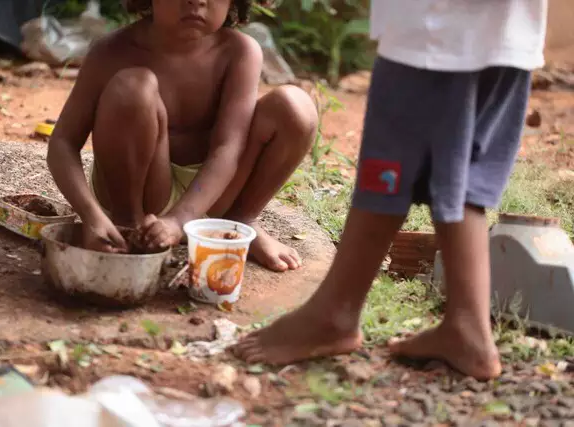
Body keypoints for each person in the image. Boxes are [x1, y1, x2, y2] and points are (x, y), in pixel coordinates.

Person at [233, 0, 548, 380]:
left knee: (388, 169)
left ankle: (335, 312)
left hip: (436, 31)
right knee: (462, 174)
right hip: (508, 32)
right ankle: (468, 326)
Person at [47, 0, 318, 272]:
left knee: (295, 107)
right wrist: (90, 216)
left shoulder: (238, 52)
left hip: (215, 192)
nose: (197, 1)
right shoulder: (111, 52)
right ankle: (126, 227)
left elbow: (229, 146)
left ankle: (239, 222)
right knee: (133, 88)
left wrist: (179, 220)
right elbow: (63, 143)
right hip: (139, 193)